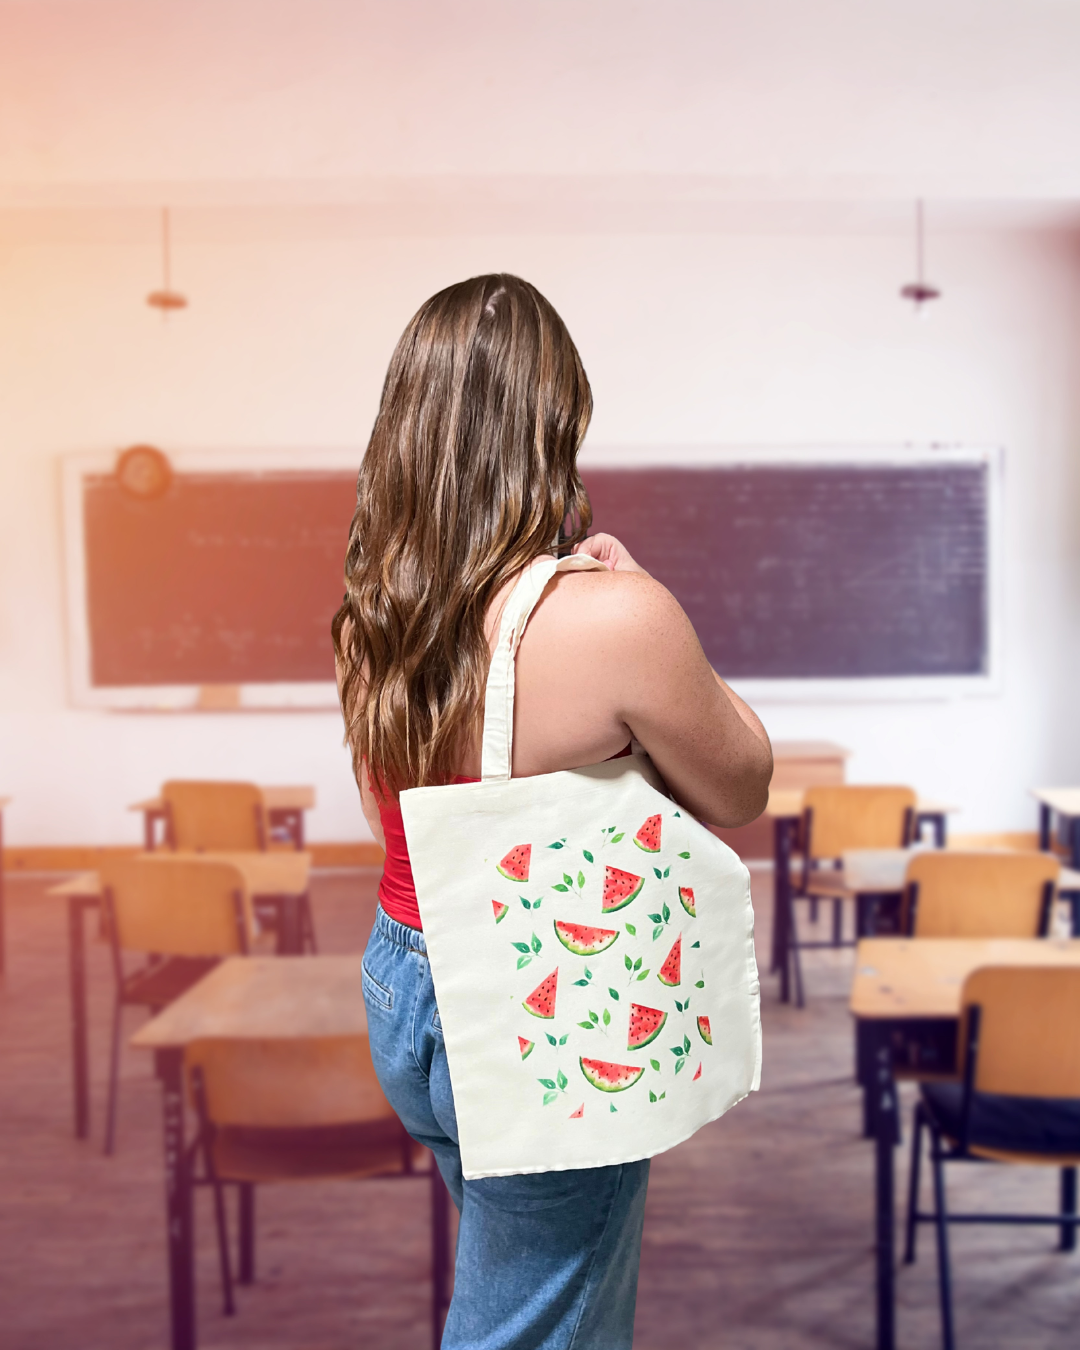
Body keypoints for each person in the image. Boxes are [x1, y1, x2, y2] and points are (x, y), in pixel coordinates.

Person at [333, 273, 772, 1349]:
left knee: (521, 1291)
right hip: (545, 1002)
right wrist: (644, 605)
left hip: (408, 982)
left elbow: (389, 813)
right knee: (529, 1330)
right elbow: (743, 784)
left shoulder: (374, 613)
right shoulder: (614, 615)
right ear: (557, 423)